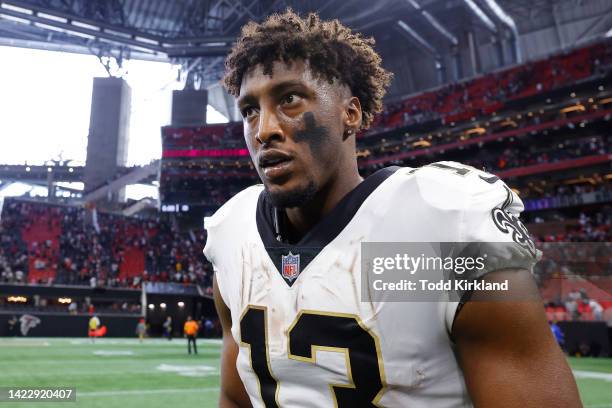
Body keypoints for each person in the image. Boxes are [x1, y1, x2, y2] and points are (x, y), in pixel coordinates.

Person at [204, 9, 581, 407]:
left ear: (351, 113)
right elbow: (235, 396)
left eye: (290, 99)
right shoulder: (234, 233)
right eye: (249, 110)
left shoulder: (432, 223)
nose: (264, 130)